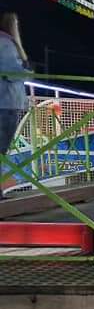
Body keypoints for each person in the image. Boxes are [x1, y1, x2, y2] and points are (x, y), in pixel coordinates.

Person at [0, 13, 29, 199]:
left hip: (6, 103)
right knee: (2, 149)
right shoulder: (6, 43)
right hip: (6, 103)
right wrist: (27, 71)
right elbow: (13, 72)